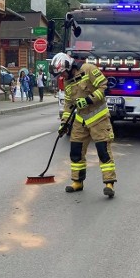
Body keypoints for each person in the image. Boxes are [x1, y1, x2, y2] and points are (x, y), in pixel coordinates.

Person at [51, 52, 116, 198]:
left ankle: (109, 184)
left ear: (69, 67)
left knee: (103, 151)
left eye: (63, 73)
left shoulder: (88, 69)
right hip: (81, 120)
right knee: (76, 150)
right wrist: (64, 124)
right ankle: (77, 182)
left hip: (99, 118)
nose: (62, 77)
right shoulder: (68, 82)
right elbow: (68, 104)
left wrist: (88, 100)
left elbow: (104, 87)